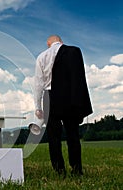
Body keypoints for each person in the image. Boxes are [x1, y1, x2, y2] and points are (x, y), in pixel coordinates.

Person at [33, 35, 93, 176]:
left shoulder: (42, 57)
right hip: (69, 96)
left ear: (48, 44)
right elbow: (79, 79)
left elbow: (38, 84)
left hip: (50, 97)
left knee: (54, 137)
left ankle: (59, 170)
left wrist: (37, 106)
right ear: (61, 42)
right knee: (73, 134)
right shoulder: (73, 52)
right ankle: (77, 168)